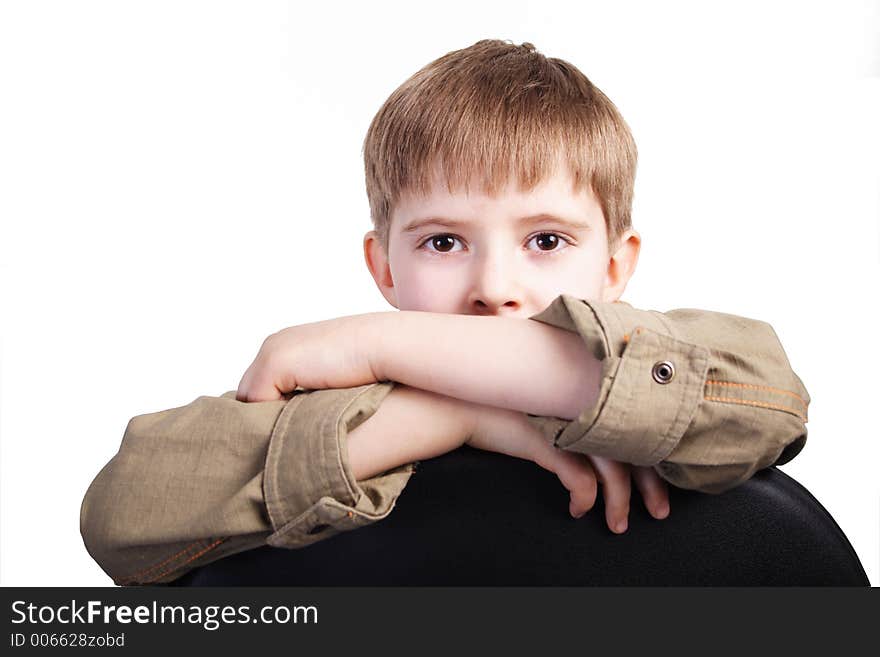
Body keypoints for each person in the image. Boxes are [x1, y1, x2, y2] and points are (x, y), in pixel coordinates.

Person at [80, 39, 810, 586]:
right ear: (384, 266)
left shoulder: (667, 366)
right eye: (445, 240)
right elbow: (118, 514)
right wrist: (451, 416)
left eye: (546, 239)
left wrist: (376, 342)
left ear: (615, 267)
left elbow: (771, 397)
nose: (495, 286)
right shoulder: (341, 405)